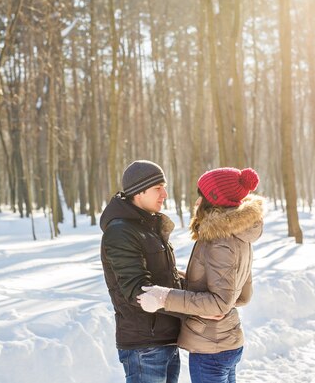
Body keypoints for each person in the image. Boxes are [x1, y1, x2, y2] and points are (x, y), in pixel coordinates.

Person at [138, 167, 264, 383]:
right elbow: (242, 295)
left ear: (213, 201)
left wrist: (164, 298)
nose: (197, 203)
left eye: (201, 196)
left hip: (212, 350)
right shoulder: (238, 235)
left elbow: (220, 302)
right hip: (225, 342)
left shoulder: (220, 241)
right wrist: (174, 275)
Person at [100, 160, 183, 383]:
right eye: (158, 188)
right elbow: (138, 290)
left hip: (165, 338)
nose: (164, 193)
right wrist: (190, 307)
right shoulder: (121, 232)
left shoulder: (147, 227)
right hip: (145, 345)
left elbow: (166, 276)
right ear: (139, 191)